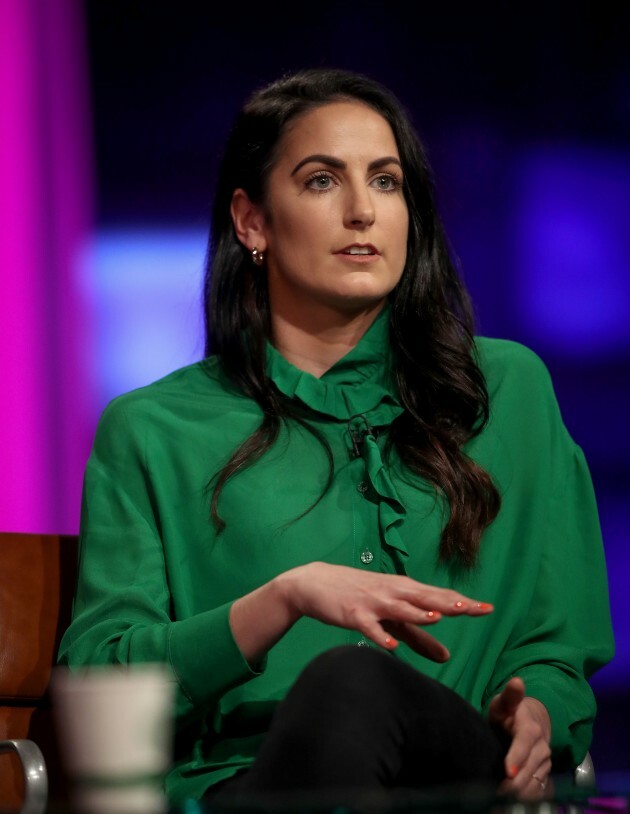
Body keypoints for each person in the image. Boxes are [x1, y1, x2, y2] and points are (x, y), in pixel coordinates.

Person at [58, 67, 614, 807]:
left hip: (458, 784)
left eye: (386, 181)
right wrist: (283, 599)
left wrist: (537, 713)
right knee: (348, 688)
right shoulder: (153, 429)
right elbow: (101, 682)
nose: (362, 211)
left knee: (359, 685)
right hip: (251, 791)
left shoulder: (507, 392)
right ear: (252, 222)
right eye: (322, 181)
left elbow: (557, 645)